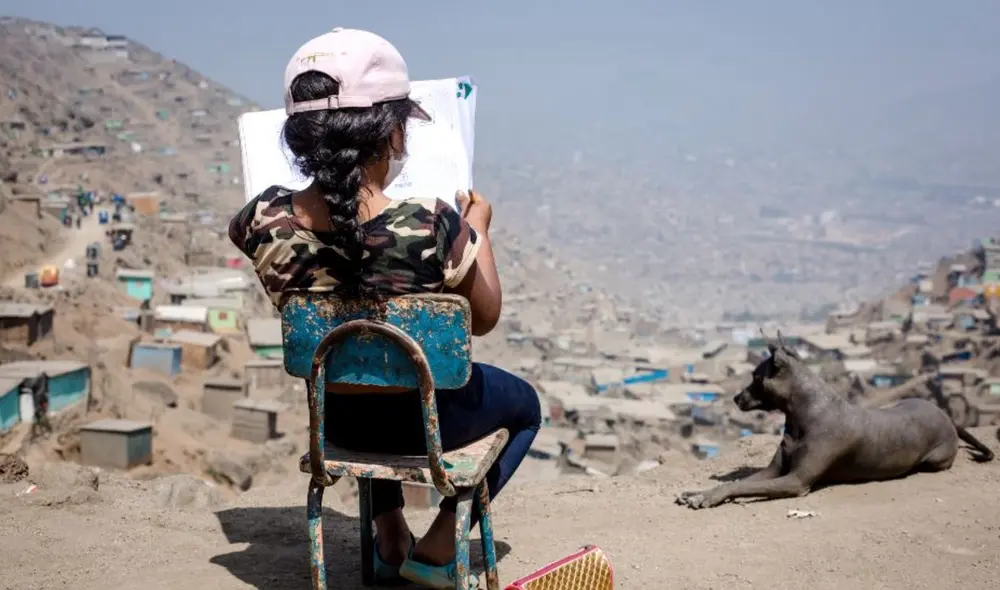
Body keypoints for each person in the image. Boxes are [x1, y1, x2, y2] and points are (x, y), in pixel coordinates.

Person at [228, 28, 541, 589]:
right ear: (393, 133)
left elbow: (297, 237)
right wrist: (479, 230)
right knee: (525, 406)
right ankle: (439, 546)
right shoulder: (432, 223)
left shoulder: (259, 221)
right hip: (427, 428)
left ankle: (390, 533)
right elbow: (486, 317)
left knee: (367, 366)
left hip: (337, 424)